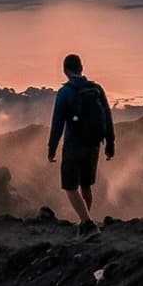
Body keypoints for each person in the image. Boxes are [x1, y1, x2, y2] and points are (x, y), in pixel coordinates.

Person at [47, 53, 114, 236]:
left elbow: (57, 123)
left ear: (65, 71)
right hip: (94, 145)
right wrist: (110, 144)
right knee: (86, 185)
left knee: (70, 186)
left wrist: (51, 149)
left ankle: (87, 223)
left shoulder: (65, 92)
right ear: (81, 68)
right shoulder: (97, 89)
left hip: (74, 145)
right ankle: (86, 224)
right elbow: (107, 117)